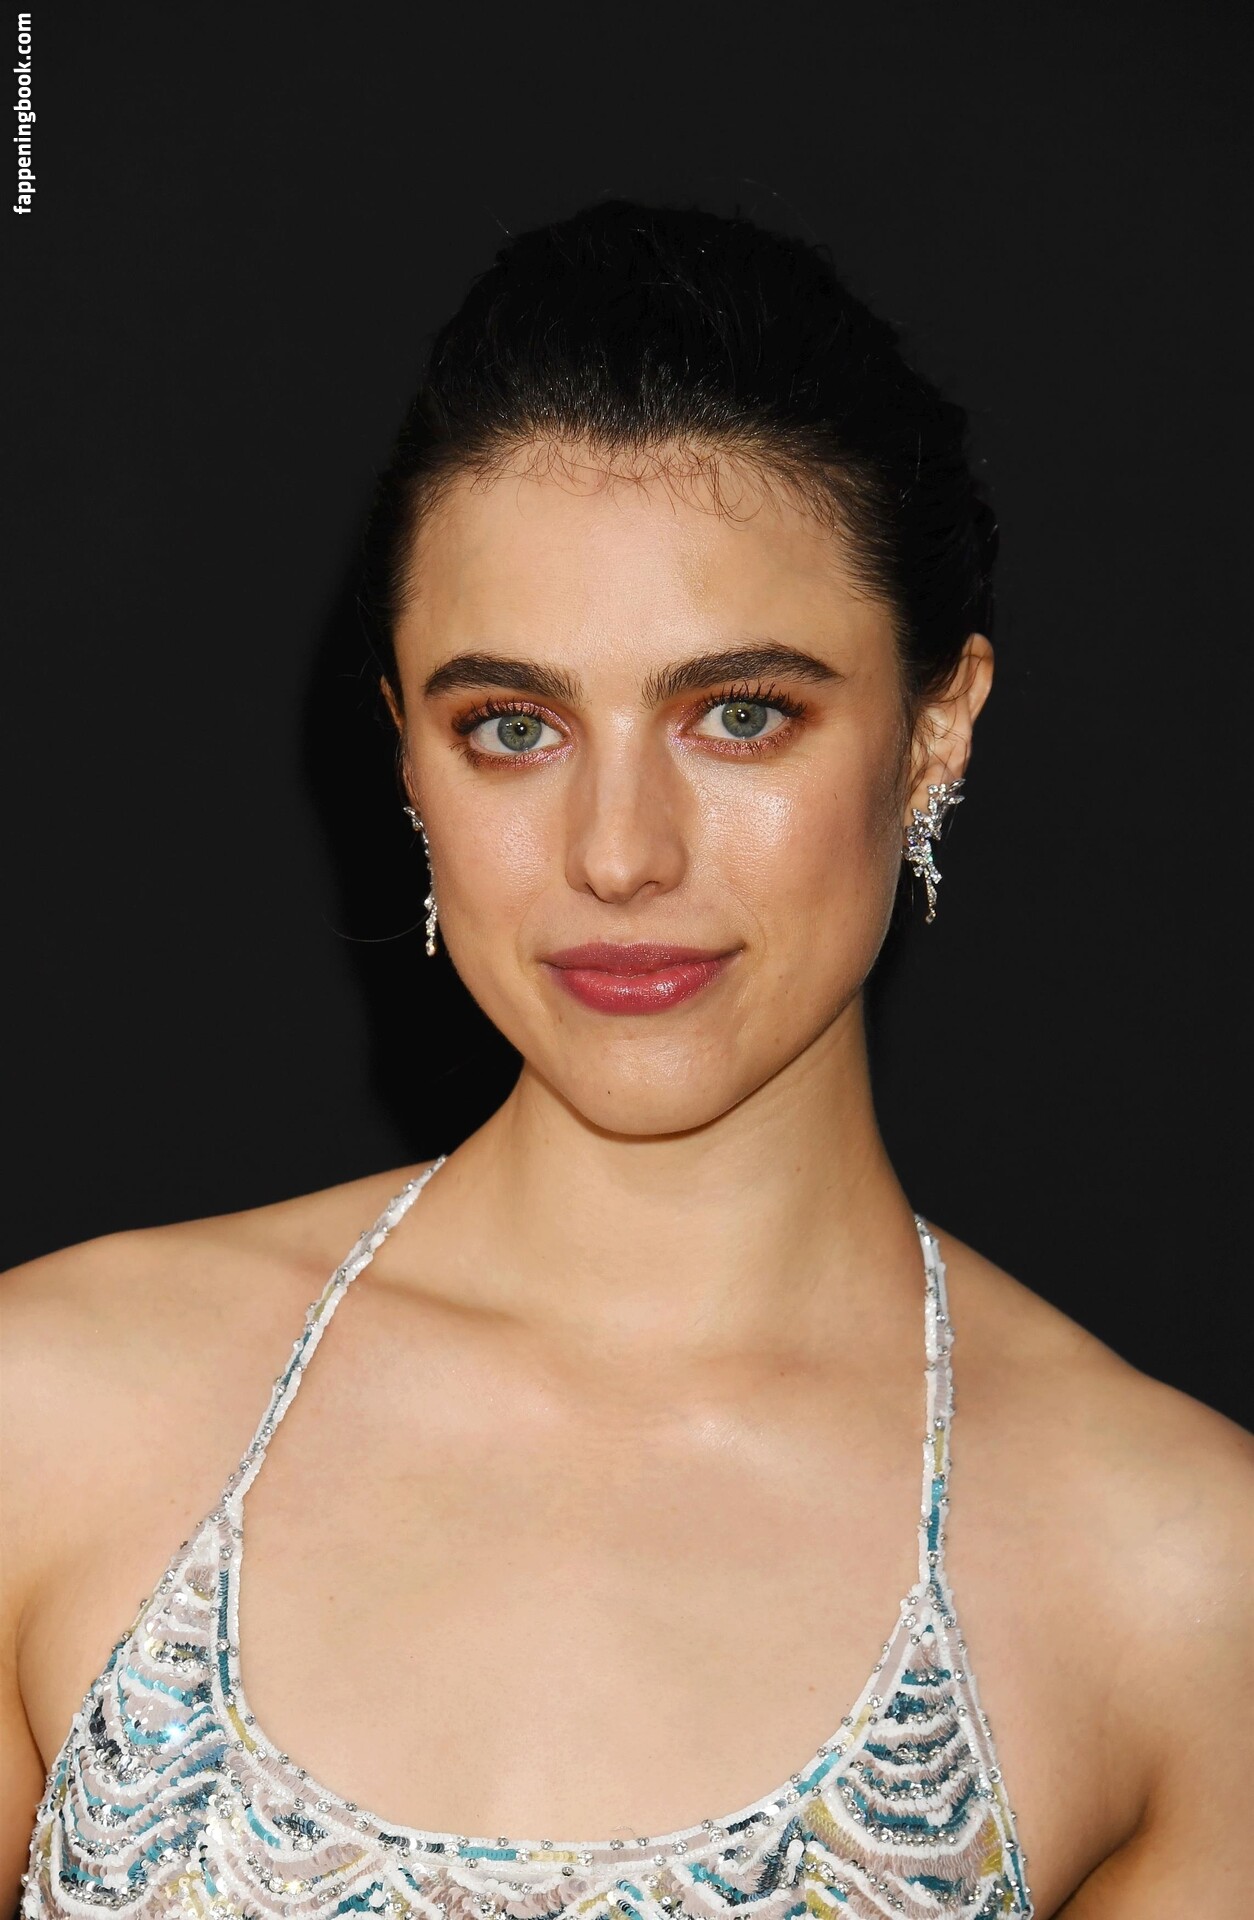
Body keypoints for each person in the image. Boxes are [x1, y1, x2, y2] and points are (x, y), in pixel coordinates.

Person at [1, 198, 1248, 1920]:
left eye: (739, 715)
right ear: (407, 760)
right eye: (511, 728)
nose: (616, 854)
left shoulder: (1177, 1578)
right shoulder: (49, 1410)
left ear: (933, 728)